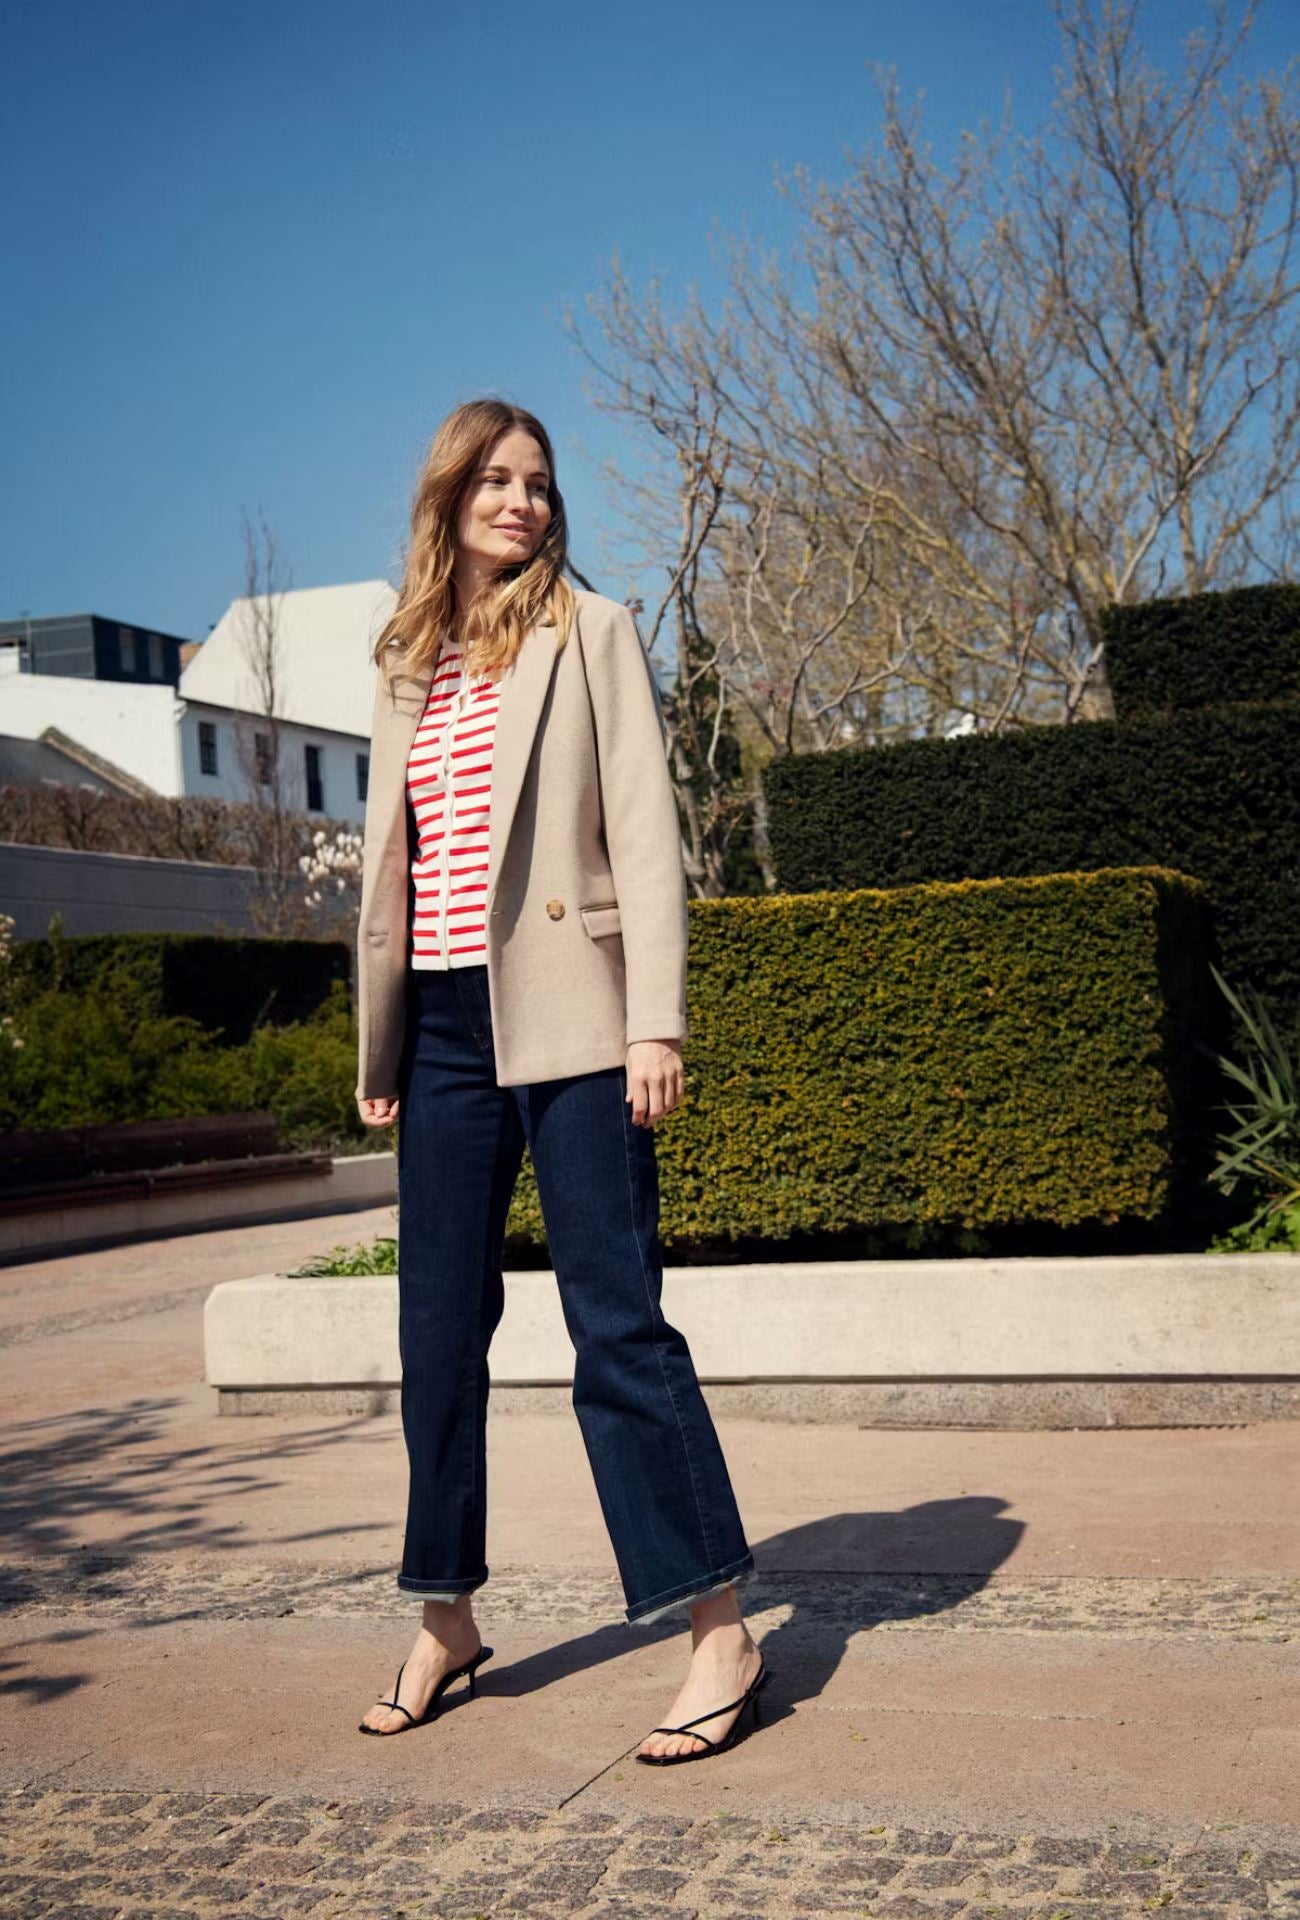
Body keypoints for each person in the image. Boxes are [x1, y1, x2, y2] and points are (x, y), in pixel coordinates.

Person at [352, 397, 770, 1763]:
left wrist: (659, 1023)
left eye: (537, 482)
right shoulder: (406, 659)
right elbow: (397, 868)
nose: (521, 500)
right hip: (447, 1035)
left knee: (616, 1324)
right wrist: (385, 1046)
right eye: (496, 478)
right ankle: (447, 1617)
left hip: (579, 1018)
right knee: (432, 1335)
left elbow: (645, 835)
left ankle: (720, 1630)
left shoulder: (590, 632)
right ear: (452, 494)